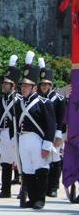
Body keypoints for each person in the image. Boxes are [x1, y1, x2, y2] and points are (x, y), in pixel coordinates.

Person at [15, 51, 56, 209]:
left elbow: (50, 125)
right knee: (28, 171)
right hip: (24, 139)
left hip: (38, 140)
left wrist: (47, 145)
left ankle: (40, 199)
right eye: (22, 85)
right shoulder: (19, 103)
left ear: (33, 87)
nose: (23, 88)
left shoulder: (44, 103)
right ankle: (31, 199)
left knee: (41, 170)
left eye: (26, 86)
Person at [0, 54, 21, 198]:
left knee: (21, 163)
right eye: (3, 83)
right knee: (5, 163)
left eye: (6, 83)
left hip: (16, 134)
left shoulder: (19, 100)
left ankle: (24, 190)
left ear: (13, 86)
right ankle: (5, 190)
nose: (3, 85)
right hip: (3, 134)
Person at [37, 57, 66, 198]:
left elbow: (62, 118)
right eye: (42, 84)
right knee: (44, 159)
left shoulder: (59, 98)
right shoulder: (38, 99)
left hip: (55, 133)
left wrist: (59, 135)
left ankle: (54, 186)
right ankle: (45, 186)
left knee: (55, 159)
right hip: (42, 133)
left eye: (46, 84)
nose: (44, 87)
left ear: (51, 84)